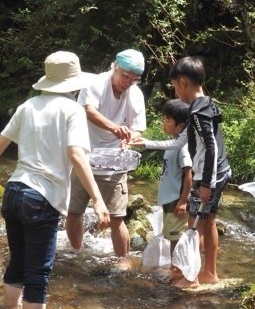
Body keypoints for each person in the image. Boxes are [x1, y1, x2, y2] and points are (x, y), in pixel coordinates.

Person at [0, 51, 109, 309]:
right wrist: (98, 199)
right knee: (38, 271)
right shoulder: (72, 111)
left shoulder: (28, 106)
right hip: (42, 198)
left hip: (13, 192)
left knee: (18, 260)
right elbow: (76, 155)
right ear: (73, 83)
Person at [65, 49, 147, 263]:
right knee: (74, 212)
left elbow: (138, 128)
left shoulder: (135, 93)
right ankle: (77, 253)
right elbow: (88, 111)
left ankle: (123, 261)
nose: (127, 82)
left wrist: (129, 137)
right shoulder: (96, 84)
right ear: (114, 67)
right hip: (84, 157)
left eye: (134, 79)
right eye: (125, 77)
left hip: (115, 162)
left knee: (117, 217)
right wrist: (114, 128)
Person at [134, 99, 197, 288]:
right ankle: (175, 269)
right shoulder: (173, 144)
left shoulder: (183, 147)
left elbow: (189, 174)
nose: (164, 123)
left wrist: (184, 201)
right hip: (170, 199)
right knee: (171, 236)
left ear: (181, 125)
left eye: (168, 120)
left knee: (176, 237)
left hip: (177, 200)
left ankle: (180, 272)